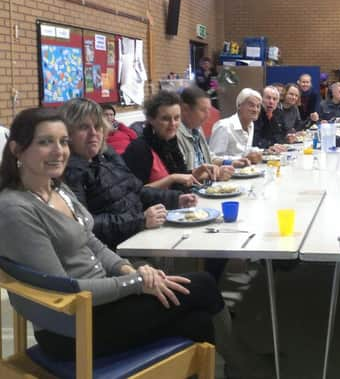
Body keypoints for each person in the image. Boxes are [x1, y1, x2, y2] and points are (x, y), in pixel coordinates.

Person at [0, 107, 244, 372]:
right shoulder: (16, 209)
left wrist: (130, 269)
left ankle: (232, 367)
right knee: (203, 285)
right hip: (73, 326)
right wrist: (136, 282)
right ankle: (243, 367)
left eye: (63, 141)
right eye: (45, 142)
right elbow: (63, 291)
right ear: (16, 149)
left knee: (197, 321)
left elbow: (92, 243)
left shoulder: (56, 187)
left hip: (103, 300)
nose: (59, 151)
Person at [59, 98, 196, 251]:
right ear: (67, 134)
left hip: (139, 236)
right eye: (84, 127)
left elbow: (136, 190)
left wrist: (175, 199)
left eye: (97, 126)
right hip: (118, 250)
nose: (93, 133)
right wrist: (140, 220)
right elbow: (87, 224)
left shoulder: (107, 155)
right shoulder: (68, 172)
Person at [122, 90, 218, 190]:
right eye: (166, 119)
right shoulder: (139, 148)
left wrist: (197, 172)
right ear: (151, 119)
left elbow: (180, 177)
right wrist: (172, 179)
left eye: (177, 118)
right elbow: (133, 192)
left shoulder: (170, 140)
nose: (173, 124)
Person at [178, 85, 249, 175]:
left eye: (208, 110)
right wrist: (215, 174)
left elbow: (209, 157)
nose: (208, 115)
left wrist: (231, 163)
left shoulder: (197, 129)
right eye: (203, 110)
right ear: (185, 109)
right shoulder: (175, 134)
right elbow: (181, 175)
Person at [209, 88, 263, 163]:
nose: (255, 110)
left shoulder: (251, 125)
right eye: (251, 105)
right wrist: (242, 159)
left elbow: (244, 151)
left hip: (246, 172)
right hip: (226, 173)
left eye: (258, 106)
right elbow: (212, 159)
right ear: (239, 106)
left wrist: (264, 152)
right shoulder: (224, 126)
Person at [252, 85, 292, 150]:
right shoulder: (255, 113)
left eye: (274, 99)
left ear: (277, 102)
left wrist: (288, 137)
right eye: (268, 98)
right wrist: (270, 145)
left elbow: (281, 134)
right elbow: (255, 140)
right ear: (261, 99)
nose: (271, 102)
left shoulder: (279, 113)